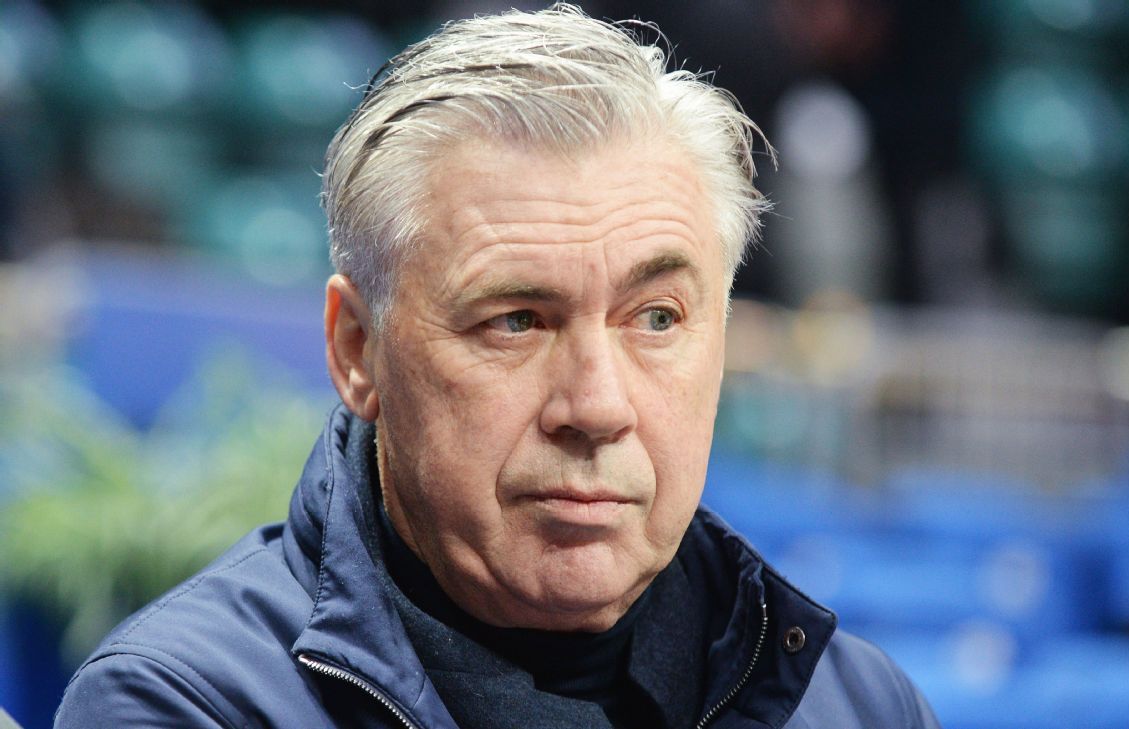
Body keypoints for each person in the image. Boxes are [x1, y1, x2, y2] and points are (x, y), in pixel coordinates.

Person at [55, 5, 940, 727]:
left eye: (657, 318)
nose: (597, 406)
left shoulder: (860, 706)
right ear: (358, 350)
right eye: (516, 320)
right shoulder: (188, 702)